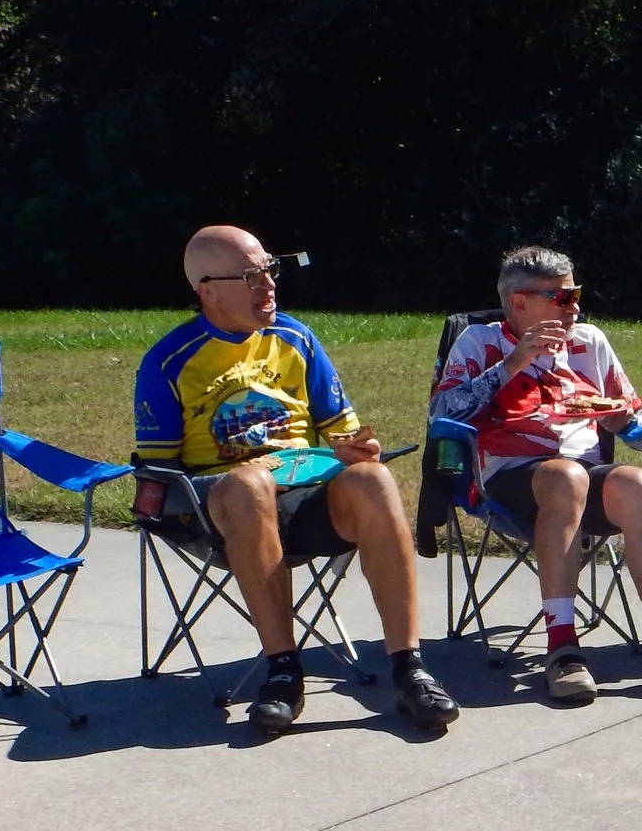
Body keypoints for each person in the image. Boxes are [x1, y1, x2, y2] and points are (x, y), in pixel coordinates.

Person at [134, 225, 460, 736]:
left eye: (270, 269)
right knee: (249, 486)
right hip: (226, 512)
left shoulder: (296, 338)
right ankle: (284, 673)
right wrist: (250, 475)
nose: (268, 284)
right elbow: (159, 473)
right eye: (250, 275)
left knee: (373, 479)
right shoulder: (168, 361)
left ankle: (409, 668)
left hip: (307, 497)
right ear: (207, 290)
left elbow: (343, 432)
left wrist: (359, 449)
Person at [428, 245, 642, 705]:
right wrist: (512, 364)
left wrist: (633, 424)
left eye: (576, 294)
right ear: (520, 302)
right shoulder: (480, 342)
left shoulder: (589, 342)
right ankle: (562, 649)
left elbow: (630, 423)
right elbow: (442, 414)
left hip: (585, 469)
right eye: (562, 297)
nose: (575, 308)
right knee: (566, 478)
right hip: (508, 477)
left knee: (636, 483)